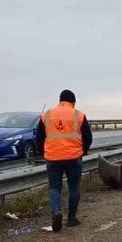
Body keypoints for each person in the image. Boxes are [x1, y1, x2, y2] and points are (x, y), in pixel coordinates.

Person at [36, 90, 93, 232]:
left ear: (60, 100)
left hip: (53, 158)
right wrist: (83, 152)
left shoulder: (47, 115)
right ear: (73, 102)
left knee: (54, 187)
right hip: (74, 157)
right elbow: (88, 137)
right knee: (74, 187)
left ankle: (56, 211)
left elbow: (39, 138)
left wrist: (44, 154)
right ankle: (72, 219)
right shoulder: (79, 115)